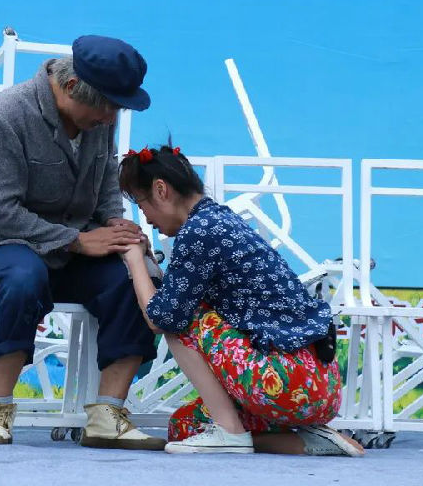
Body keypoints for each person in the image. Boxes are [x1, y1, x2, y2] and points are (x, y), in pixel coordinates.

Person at [0, 35, 166, 450]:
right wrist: (77, 241)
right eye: (108, 108)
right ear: (71, 87)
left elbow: (105, 183)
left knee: (133, 275)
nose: (111, 119)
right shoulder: (5, 117)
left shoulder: (100, 117)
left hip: (75, 249)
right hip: (1, 245)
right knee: (22, 278)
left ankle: (108, 414)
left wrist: (117, 227)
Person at [118, 143, 366, 456]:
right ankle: (310, 440)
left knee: (180, 318)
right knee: (184, 427)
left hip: (286, 380)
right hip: (319, 388)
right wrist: (149, 260)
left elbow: (162, 318)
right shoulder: (220, 219)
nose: (145, 217)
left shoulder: (198, 231)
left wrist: (134, 260)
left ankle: (229, 431)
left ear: (161, 189)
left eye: (142, 204)